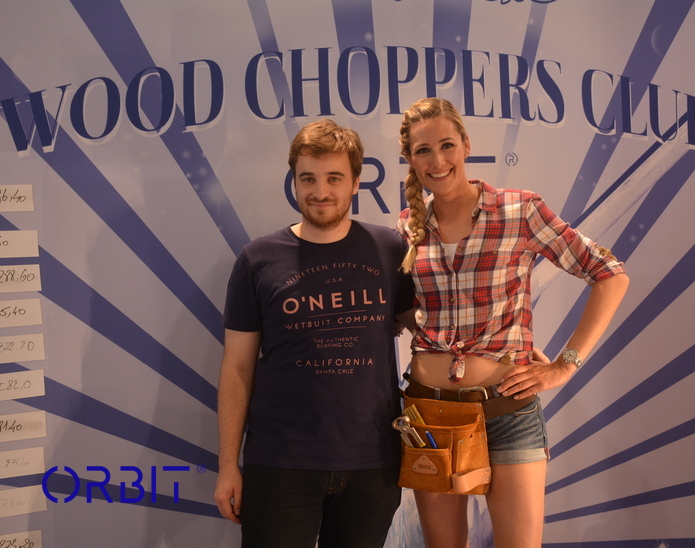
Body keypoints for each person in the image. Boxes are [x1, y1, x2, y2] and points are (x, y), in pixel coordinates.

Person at [396, 98, 629, 548]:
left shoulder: (519, 209)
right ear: (410, 158)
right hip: (430, 412)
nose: (437, 160)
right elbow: (411, 309)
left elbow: (610, 275)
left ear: (466, 145)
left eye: (447, 145)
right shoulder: (408, 226)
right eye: (423, 150)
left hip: (507, 410)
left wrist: (565, 364)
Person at [214, 119, 415, 548]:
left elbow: (432, 331)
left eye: (334, 178)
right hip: (280, 463)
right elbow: (237, 367)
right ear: (294, 181)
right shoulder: (258, 260)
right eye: (308, 178)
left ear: (356, 182)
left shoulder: (391, 250)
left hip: (373, 462)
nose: (320, 191)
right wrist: (228, 464)